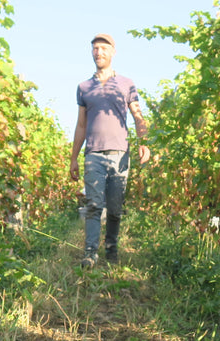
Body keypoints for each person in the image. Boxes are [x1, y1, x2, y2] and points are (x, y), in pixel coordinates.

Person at [70, 33, 150, 268]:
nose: (99, 52)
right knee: (94, 205)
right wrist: (73, 158)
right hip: (93, 153)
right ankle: (90, 253)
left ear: (113, 52)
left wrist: (144, 142)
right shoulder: (84, 87)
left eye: (104, 48)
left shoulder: (126, 84)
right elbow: (81, 125)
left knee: (115, 208)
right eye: (95, 48)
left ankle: (111, 249)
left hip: (120, 153)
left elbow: (137, 115)